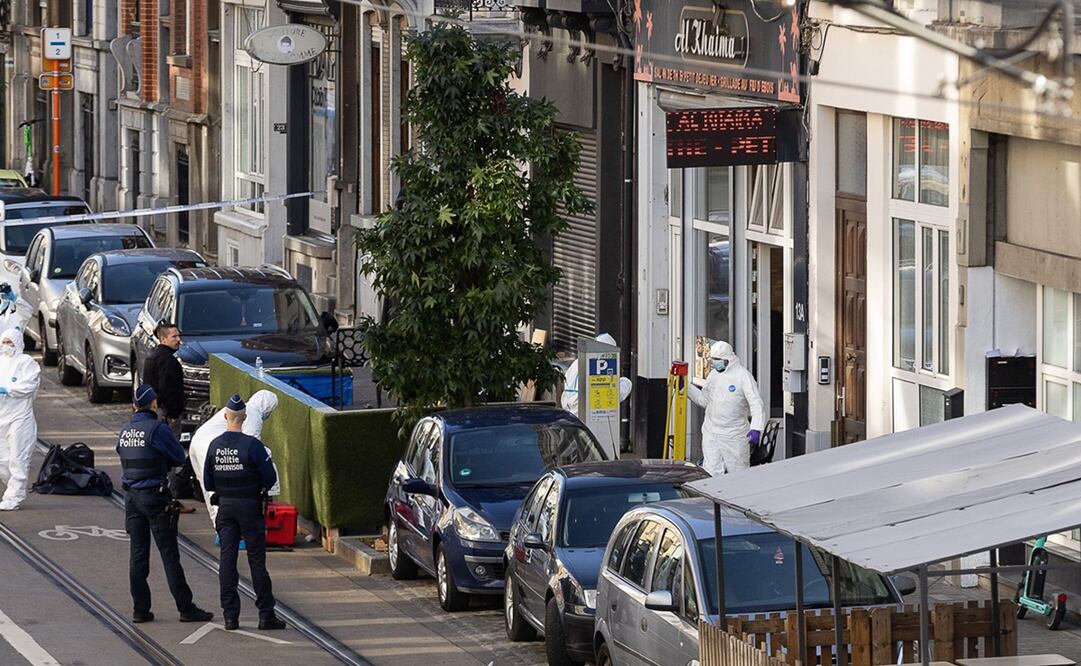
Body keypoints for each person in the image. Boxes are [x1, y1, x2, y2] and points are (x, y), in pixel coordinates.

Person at [116, 384, 214, 624]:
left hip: (131, 499)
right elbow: (178, 457)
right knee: (169, 554)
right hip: (155, 496)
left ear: (133, 406)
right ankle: (185, 607)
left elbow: (122, 454)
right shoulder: (157, 429)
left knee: (138, 555)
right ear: (154, 404)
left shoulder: (125, 430)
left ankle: (140, 609)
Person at [203, 394, 286, 631]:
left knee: (227, 560)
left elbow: (209, 483)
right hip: (250, 507)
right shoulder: (253, 446)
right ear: (245, 417)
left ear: (226, 416)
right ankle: (265, 615)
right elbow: (270, 478)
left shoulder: (215, 445)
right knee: (257, 561)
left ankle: (230, 616)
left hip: (226, 508)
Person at [190, 390, 280, 532]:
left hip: (197, 443)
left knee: (209, 492)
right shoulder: (253, 415)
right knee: (222, 491)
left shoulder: (244, 407)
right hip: (210, 446)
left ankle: (219, 528)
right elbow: (251, 446)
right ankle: (226, 530)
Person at [688, 340, 766, 476]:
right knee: (711, 472)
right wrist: (686, 389)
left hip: (734, 435)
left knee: (738, 474)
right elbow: (703, 399)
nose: (714, 362)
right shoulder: (713, 376)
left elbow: (756, 404)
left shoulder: (743, 376)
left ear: (728, 359)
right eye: (713, 359)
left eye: (718, 359)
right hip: (711, 432)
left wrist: (756, 428)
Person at [0, 328, 39, 511]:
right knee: (3, 460)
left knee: (18, 456)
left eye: (10, 342)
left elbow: (29, 386)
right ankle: (12, 487)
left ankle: (15, 495)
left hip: (20, 417)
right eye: (4, 342)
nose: (7, 346)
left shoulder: (26, 362)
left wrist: (8, 390)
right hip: (2, 417)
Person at [561, 332, 633, 413]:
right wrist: (626, 382)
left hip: (568, 405)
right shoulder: (600, 364)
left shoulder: (577, 362)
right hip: (582, 408)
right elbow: (612, 395)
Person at [142, 322, 185, 432]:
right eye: (174, 337)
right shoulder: (168, 360)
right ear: (163, 339)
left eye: (179, 336)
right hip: (167, 414)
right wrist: (174, 413)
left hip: (155, 411)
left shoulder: (152, 357)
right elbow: (167, 388)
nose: (178, 340)